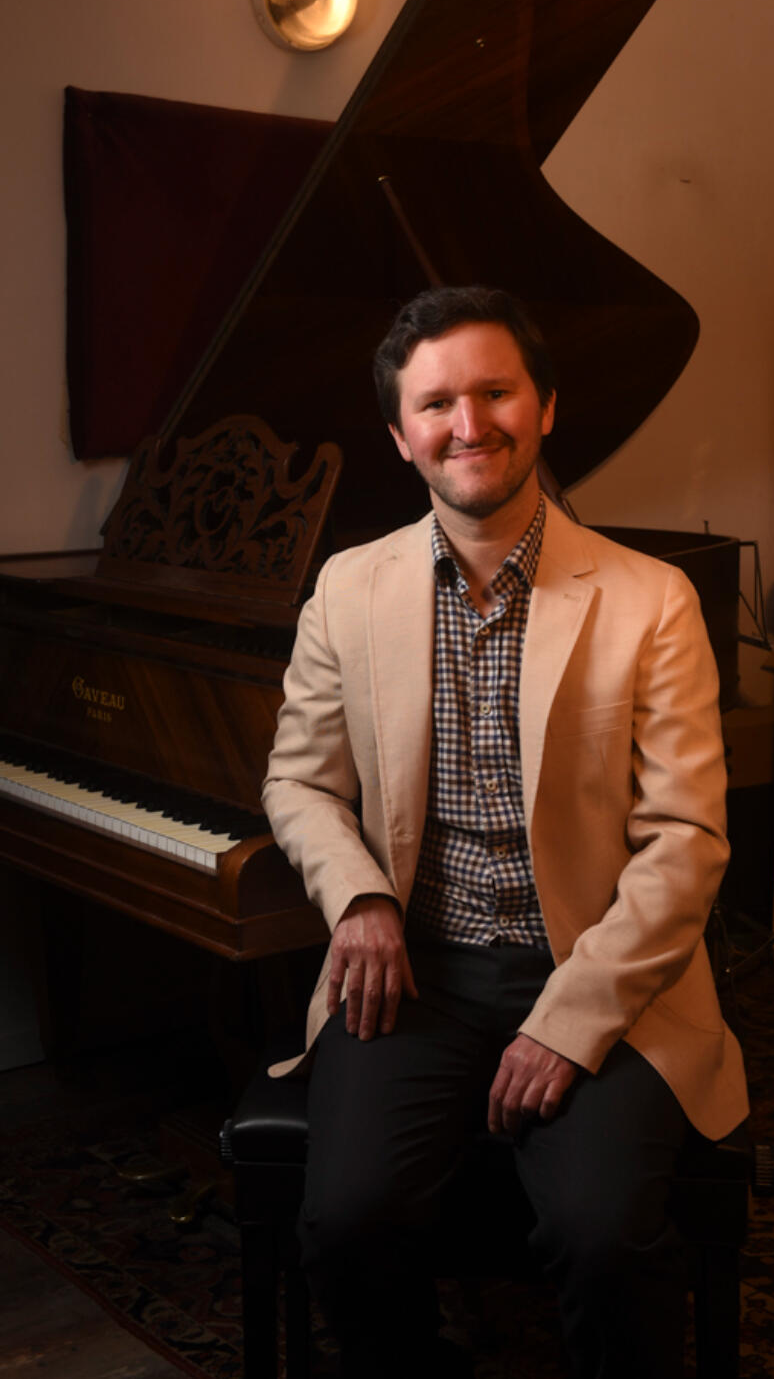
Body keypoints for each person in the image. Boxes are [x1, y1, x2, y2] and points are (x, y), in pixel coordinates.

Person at [262, 286, 748, 1379]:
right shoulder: (347, 588)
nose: (469, 423)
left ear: (546, 407)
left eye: (495, 392)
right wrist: (360, 898)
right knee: (344, 1223)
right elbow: (297, 782)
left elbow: (686, 841)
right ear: (401, 436)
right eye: (436, 404)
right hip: (415, 975)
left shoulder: (652, 598)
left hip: (599, 968)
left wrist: (568, 1023)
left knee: (601, 1238)